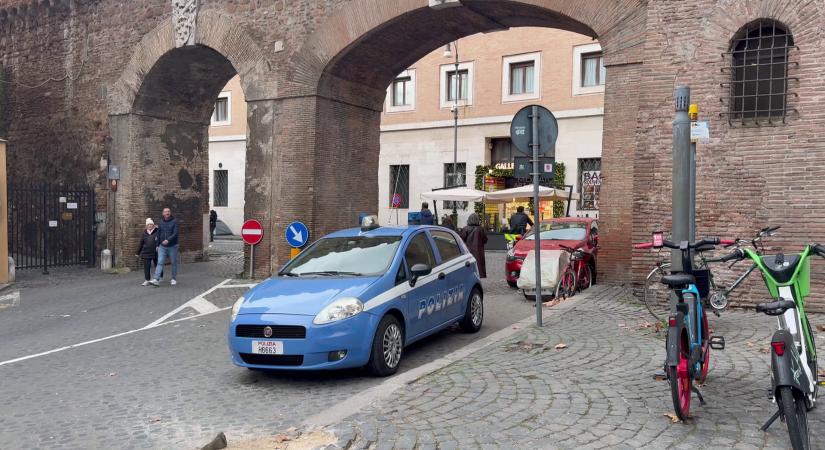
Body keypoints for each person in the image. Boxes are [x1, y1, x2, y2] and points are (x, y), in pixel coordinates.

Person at [150, 207, 179, 286]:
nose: (167, 213)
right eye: (165, 212)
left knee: (173, 262)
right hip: (162, 246)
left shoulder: (174, 221)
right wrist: (157, 245)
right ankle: (156, 279)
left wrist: (168, 240)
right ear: (163, 213)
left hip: (172, 246)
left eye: (168, 211)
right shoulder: (161, 222)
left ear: (170, 213)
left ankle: (173, 278)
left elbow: (175, 233)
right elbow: (158, 234)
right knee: (160, 262)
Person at [459, 213, 488, 278]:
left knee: (469, 266)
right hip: (479, 252)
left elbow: (461, 240)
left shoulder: (465, 229)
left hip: (468, 251)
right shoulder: (481, 229)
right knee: (478, 267)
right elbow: (485, 240)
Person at [135, 218, 161, 286]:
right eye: (148, 224)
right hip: (146, 252)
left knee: (158, 265)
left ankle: (160, 277)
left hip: (156, 252)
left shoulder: (157, 231)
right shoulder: (144, 233)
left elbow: (161, 239)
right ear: (146, 226)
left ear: (153, 225)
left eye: (151, 224)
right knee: (147, 267)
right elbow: (141, 243)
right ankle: (147, 279)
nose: (150, 226)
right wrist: (137, 252)